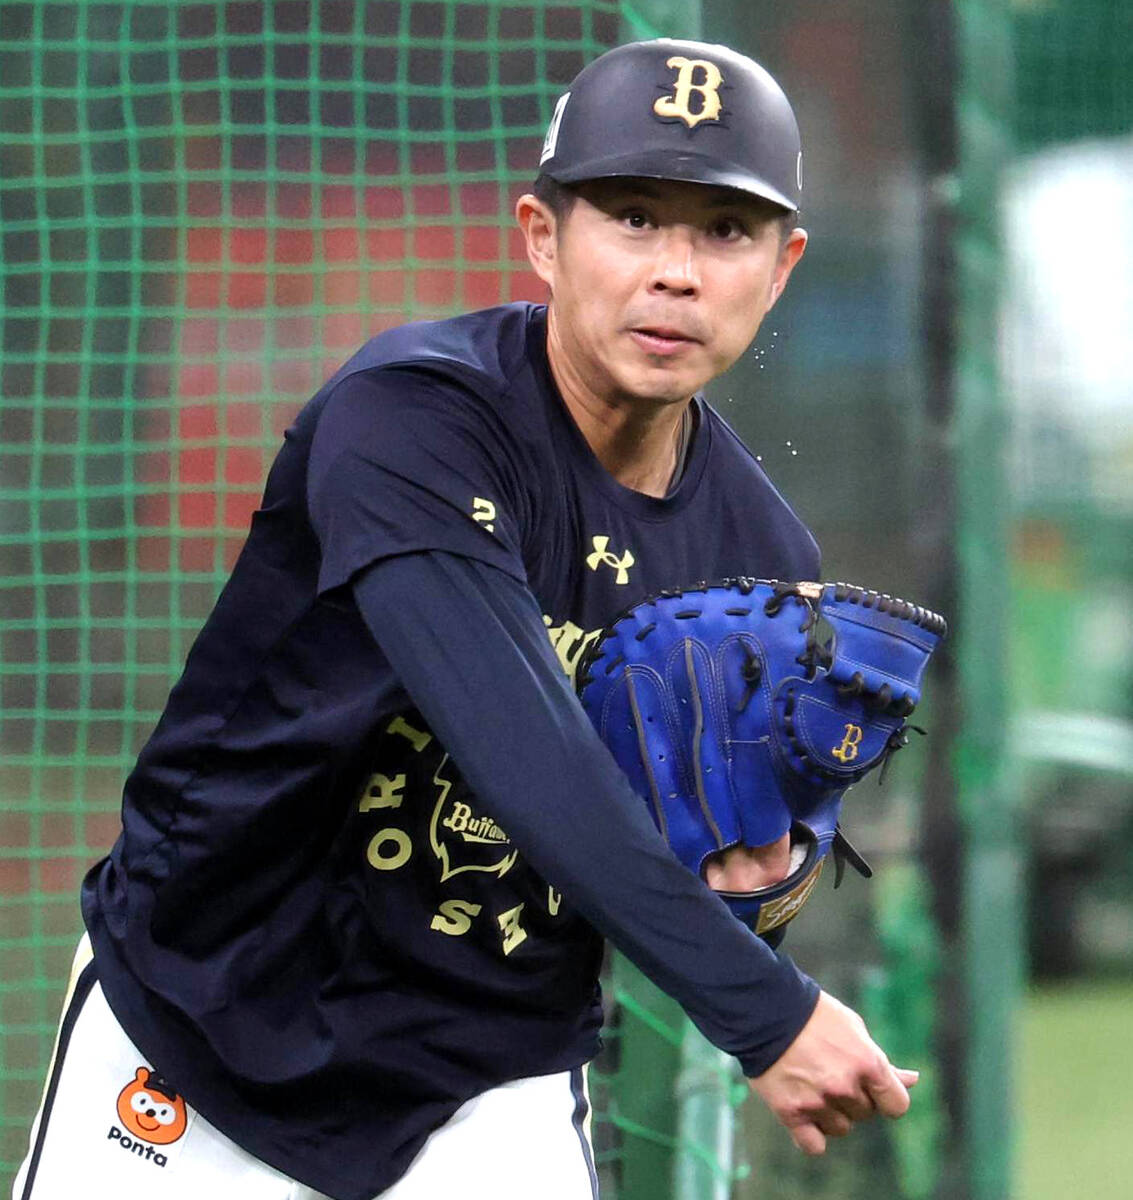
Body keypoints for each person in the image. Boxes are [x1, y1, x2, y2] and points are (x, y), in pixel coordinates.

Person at [14, 38, 917, 1200]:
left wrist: (759, 879)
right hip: (208, 1025)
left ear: (781, 265)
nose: (676, 271)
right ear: (542, 236)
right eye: (633, 216)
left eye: (724, 230)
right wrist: (761, 1011)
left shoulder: (756, 559)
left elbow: (719, 877)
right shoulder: (410, 422)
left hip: (483, 1080)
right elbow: (515, 739)